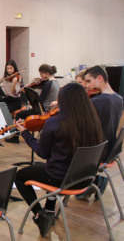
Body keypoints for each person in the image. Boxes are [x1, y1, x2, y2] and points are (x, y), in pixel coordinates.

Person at [14, 83, 103, 237]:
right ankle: (49, 210)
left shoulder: (54, 122)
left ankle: (39, 215)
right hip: (85, 178)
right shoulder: (92, 120)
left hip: (61, 179)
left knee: (20, 176)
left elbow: (42, 152)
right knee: (52, 164)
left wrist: (26, 133)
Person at [76, 65, 123, 199]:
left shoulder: (97, 102)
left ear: (100, 78)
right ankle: (96, 179)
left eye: (89, 81)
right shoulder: (119, 98)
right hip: (109, 150)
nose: (88, 85)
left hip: (96, 153)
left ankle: (86, 183)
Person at [6, 64, 59, 144]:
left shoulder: (47, 84)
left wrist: (27, 93)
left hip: (42, 110)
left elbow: (40, 100)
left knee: (19, 115)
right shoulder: (56, 81)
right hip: (50, 110)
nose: (41, 76)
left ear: (47, 73)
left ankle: (16, 137)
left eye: (41, 74)